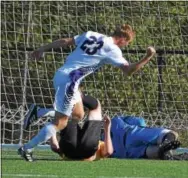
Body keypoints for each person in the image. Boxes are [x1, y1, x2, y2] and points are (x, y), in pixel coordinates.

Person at [18, 24, 156, 161]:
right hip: (69, 81)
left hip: (63, 75)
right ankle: (27, 148)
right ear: (123, 39)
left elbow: (65, 41)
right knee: (61, 122)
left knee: (78, 114)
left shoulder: (92, 34)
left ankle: (39, 112)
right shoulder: (113, 49)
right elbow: (128, 71)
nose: (125, 46)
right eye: (127, 43)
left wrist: (43, 48)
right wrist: (147, 57)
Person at [23, 102, 181, 160]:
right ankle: (166, 151)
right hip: (124, 140)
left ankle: (166, 152)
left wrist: (52, 135)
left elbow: (56, 148)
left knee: (151, 151)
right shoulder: (84, 148)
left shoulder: (69, 150)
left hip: (123, 151)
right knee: (162, 138)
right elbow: (107, 152)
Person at [20, 96, 113, 161]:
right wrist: (107, 128)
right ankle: (41, 112)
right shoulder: (100, 146)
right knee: (72, 115)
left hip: (74, 148)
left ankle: (77, 96)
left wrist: (106, 127)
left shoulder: (99, 144)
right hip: (75, 150)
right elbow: (55, 147)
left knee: (92, 108)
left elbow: (55, 147)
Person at [109, 115, 181, 160]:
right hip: (131, 134)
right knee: (168, 134)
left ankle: (166, 153)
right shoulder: (114, 120)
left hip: (124, 153)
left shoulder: (99, 143)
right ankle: (166, 143)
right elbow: (139, 121)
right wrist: (143, 128)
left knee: (148, 152)